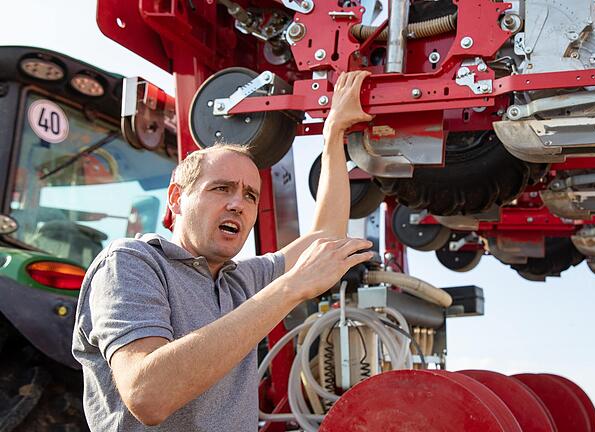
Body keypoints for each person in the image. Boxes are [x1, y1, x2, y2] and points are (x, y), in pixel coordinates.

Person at [72, 71, 374, 430]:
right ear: (175, 199)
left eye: (249, 195)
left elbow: (326, 235)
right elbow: (148, 394)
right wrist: (291, 287)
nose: (238, 205)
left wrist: (334, 134)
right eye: (221, 189)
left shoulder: (241, 281)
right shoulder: (132, 263)